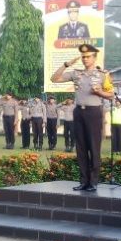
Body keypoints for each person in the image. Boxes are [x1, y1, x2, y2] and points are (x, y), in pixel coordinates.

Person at [50, 43, 113, 192]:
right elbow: (54, 78)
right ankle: (84, 181)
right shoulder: (76, 73)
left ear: (95, 57)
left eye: (88, 56)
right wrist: (66, 64)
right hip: (79, 112)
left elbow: (111, 95)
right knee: (81, 148)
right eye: (83, 57)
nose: (85, 59)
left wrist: (100, 93)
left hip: (94, 113)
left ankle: (94, 182)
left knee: (93, 147)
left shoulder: (103, 75)